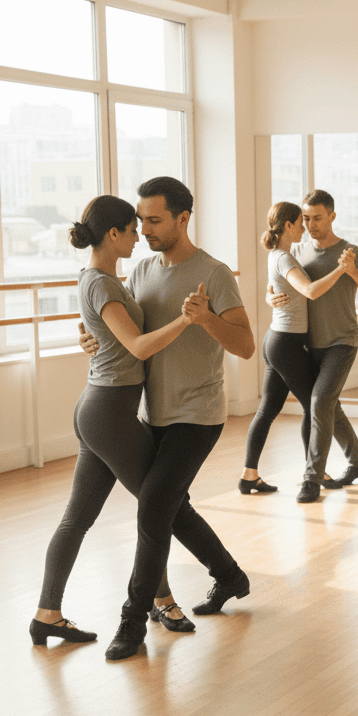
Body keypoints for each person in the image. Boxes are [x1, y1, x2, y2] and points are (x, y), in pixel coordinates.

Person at [79, 176, 255, 660]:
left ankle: (133, 621)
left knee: (154, 506)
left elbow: (244, 346)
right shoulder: (140, 271)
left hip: (198, 415)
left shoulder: (214, 274)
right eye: (141, 220)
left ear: (183, 218)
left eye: (155, 220)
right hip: (151, 411)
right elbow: (125, 332)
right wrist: (90, 337)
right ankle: (230, 576)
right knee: (173, 508)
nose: (145, 228)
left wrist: (205, 319)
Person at [32, 196, 197, 647]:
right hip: (107, 413)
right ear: (113, 234)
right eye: (132, 228)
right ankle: (161, 601)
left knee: (78, 519)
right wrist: (185, 319)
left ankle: (47, 613)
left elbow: (103, 331)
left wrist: (90, 338)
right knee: (157, 507)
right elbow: (139, 347)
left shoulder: (99, 279)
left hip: (101, 409)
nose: (139, 235)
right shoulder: (102, 284)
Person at [238, 202, 356, 497]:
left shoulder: (279, 256)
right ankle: (313, 473)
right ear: (288, 226)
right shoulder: (286, 260)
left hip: (277, 341)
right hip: (286, 344)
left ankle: (249, 476)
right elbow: (310, 290)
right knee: (313, 406)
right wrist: (341, 269)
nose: (304, 226)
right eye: (300, 221)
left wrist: (269, 297)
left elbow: (278, 290)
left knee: (268, 410)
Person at [294, 189, 358, 503]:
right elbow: (283, 283)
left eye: (317, 217)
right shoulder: (298, 250)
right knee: (330, 406)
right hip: (309, 345)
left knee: (320, 403)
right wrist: (270, 296)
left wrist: (353, 271)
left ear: (332, 216)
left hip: (342, 342)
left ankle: (311, 480)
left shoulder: (351, 251)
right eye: (306, 218)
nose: (311, 224)